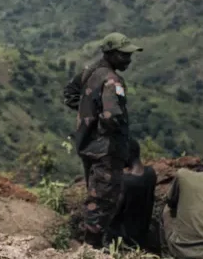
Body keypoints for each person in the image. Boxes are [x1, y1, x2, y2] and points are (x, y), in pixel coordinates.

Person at [71, 32, 142, 248]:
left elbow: (70, 94)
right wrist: (104, 124)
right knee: (103, 200)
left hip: (88, 145)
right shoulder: (112, 80)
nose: (128, 60)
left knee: (95, 195)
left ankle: (88, 244)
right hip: (107, 151)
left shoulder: (89, 71)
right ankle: (90, 248)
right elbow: (113, 116)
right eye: (124, 55)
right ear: (110, 54)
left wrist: (88, 116)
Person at [107, 138, 157, 251]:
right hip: (142, 234)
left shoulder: (126, 182)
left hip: (125, 238)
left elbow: (115, 212)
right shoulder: (151, 173)